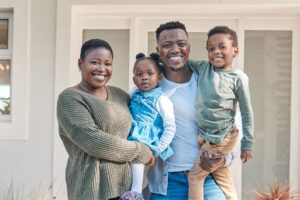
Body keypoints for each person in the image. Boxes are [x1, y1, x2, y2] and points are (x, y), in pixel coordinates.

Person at [56, 39, 154, 200]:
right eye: (94, 62)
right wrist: (141, 151)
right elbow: (93, 141)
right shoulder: (70, 98)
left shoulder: (121, 95)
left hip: (128, 190)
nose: (102, 69)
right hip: (91, 188)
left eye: (108, 63)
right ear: (81, 64)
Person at [147, 21, 234, 200]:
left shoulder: (210, 82)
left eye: (181, 44)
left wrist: (224, 158)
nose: (175, 49)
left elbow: (232, 128)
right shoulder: (150, 89)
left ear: (189, 47)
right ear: (158, 50)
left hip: (209, 177)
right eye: (167, 45)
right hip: (167, 183)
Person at [188, 26, 254, 200]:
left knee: (195, 176)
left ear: (235, 50)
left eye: (222, 47)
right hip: (208, 136)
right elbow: (182, 60)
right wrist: (157, 60)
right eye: (211, 48)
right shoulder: (203, 68)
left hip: (221, 136)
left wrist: (247, 143)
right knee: (221, 174)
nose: (216, 51)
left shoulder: (238, 78)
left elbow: (247, 112)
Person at [120, 52, 176, 200]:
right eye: (139, 74)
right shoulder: (134, 93)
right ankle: (129, 189)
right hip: (131, 134)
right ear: (134, 79)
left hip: (148, 139)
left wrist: (157, 150)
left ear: (159, 77)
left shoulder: (162, 99)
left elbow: (170, 127)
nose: (144, 77)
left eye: (150, 73)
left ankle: (136, 192)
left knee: (138, 156)